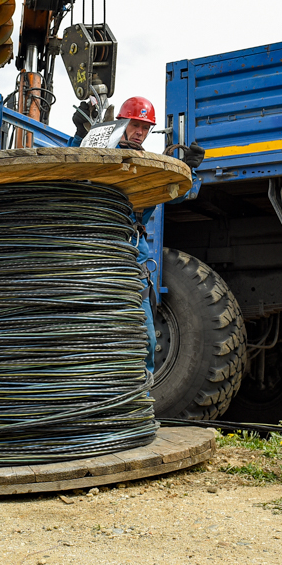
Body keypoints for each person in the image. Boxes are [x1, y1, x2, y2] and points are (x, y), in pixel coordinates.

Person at [72, 96, 205, 381]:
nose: (140, 133)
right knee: (91, 335)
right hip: (98, 250)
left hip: (132, 255)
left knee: (144, 339)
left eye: (145, 128)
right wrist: (80, 133)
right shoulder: (100, 151)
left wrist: (189, 170)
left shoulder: (149, 167)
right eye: (136, 125)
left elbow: (177, 193)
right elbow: (72, 167)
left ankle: (137, 408)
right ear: (122, 123)